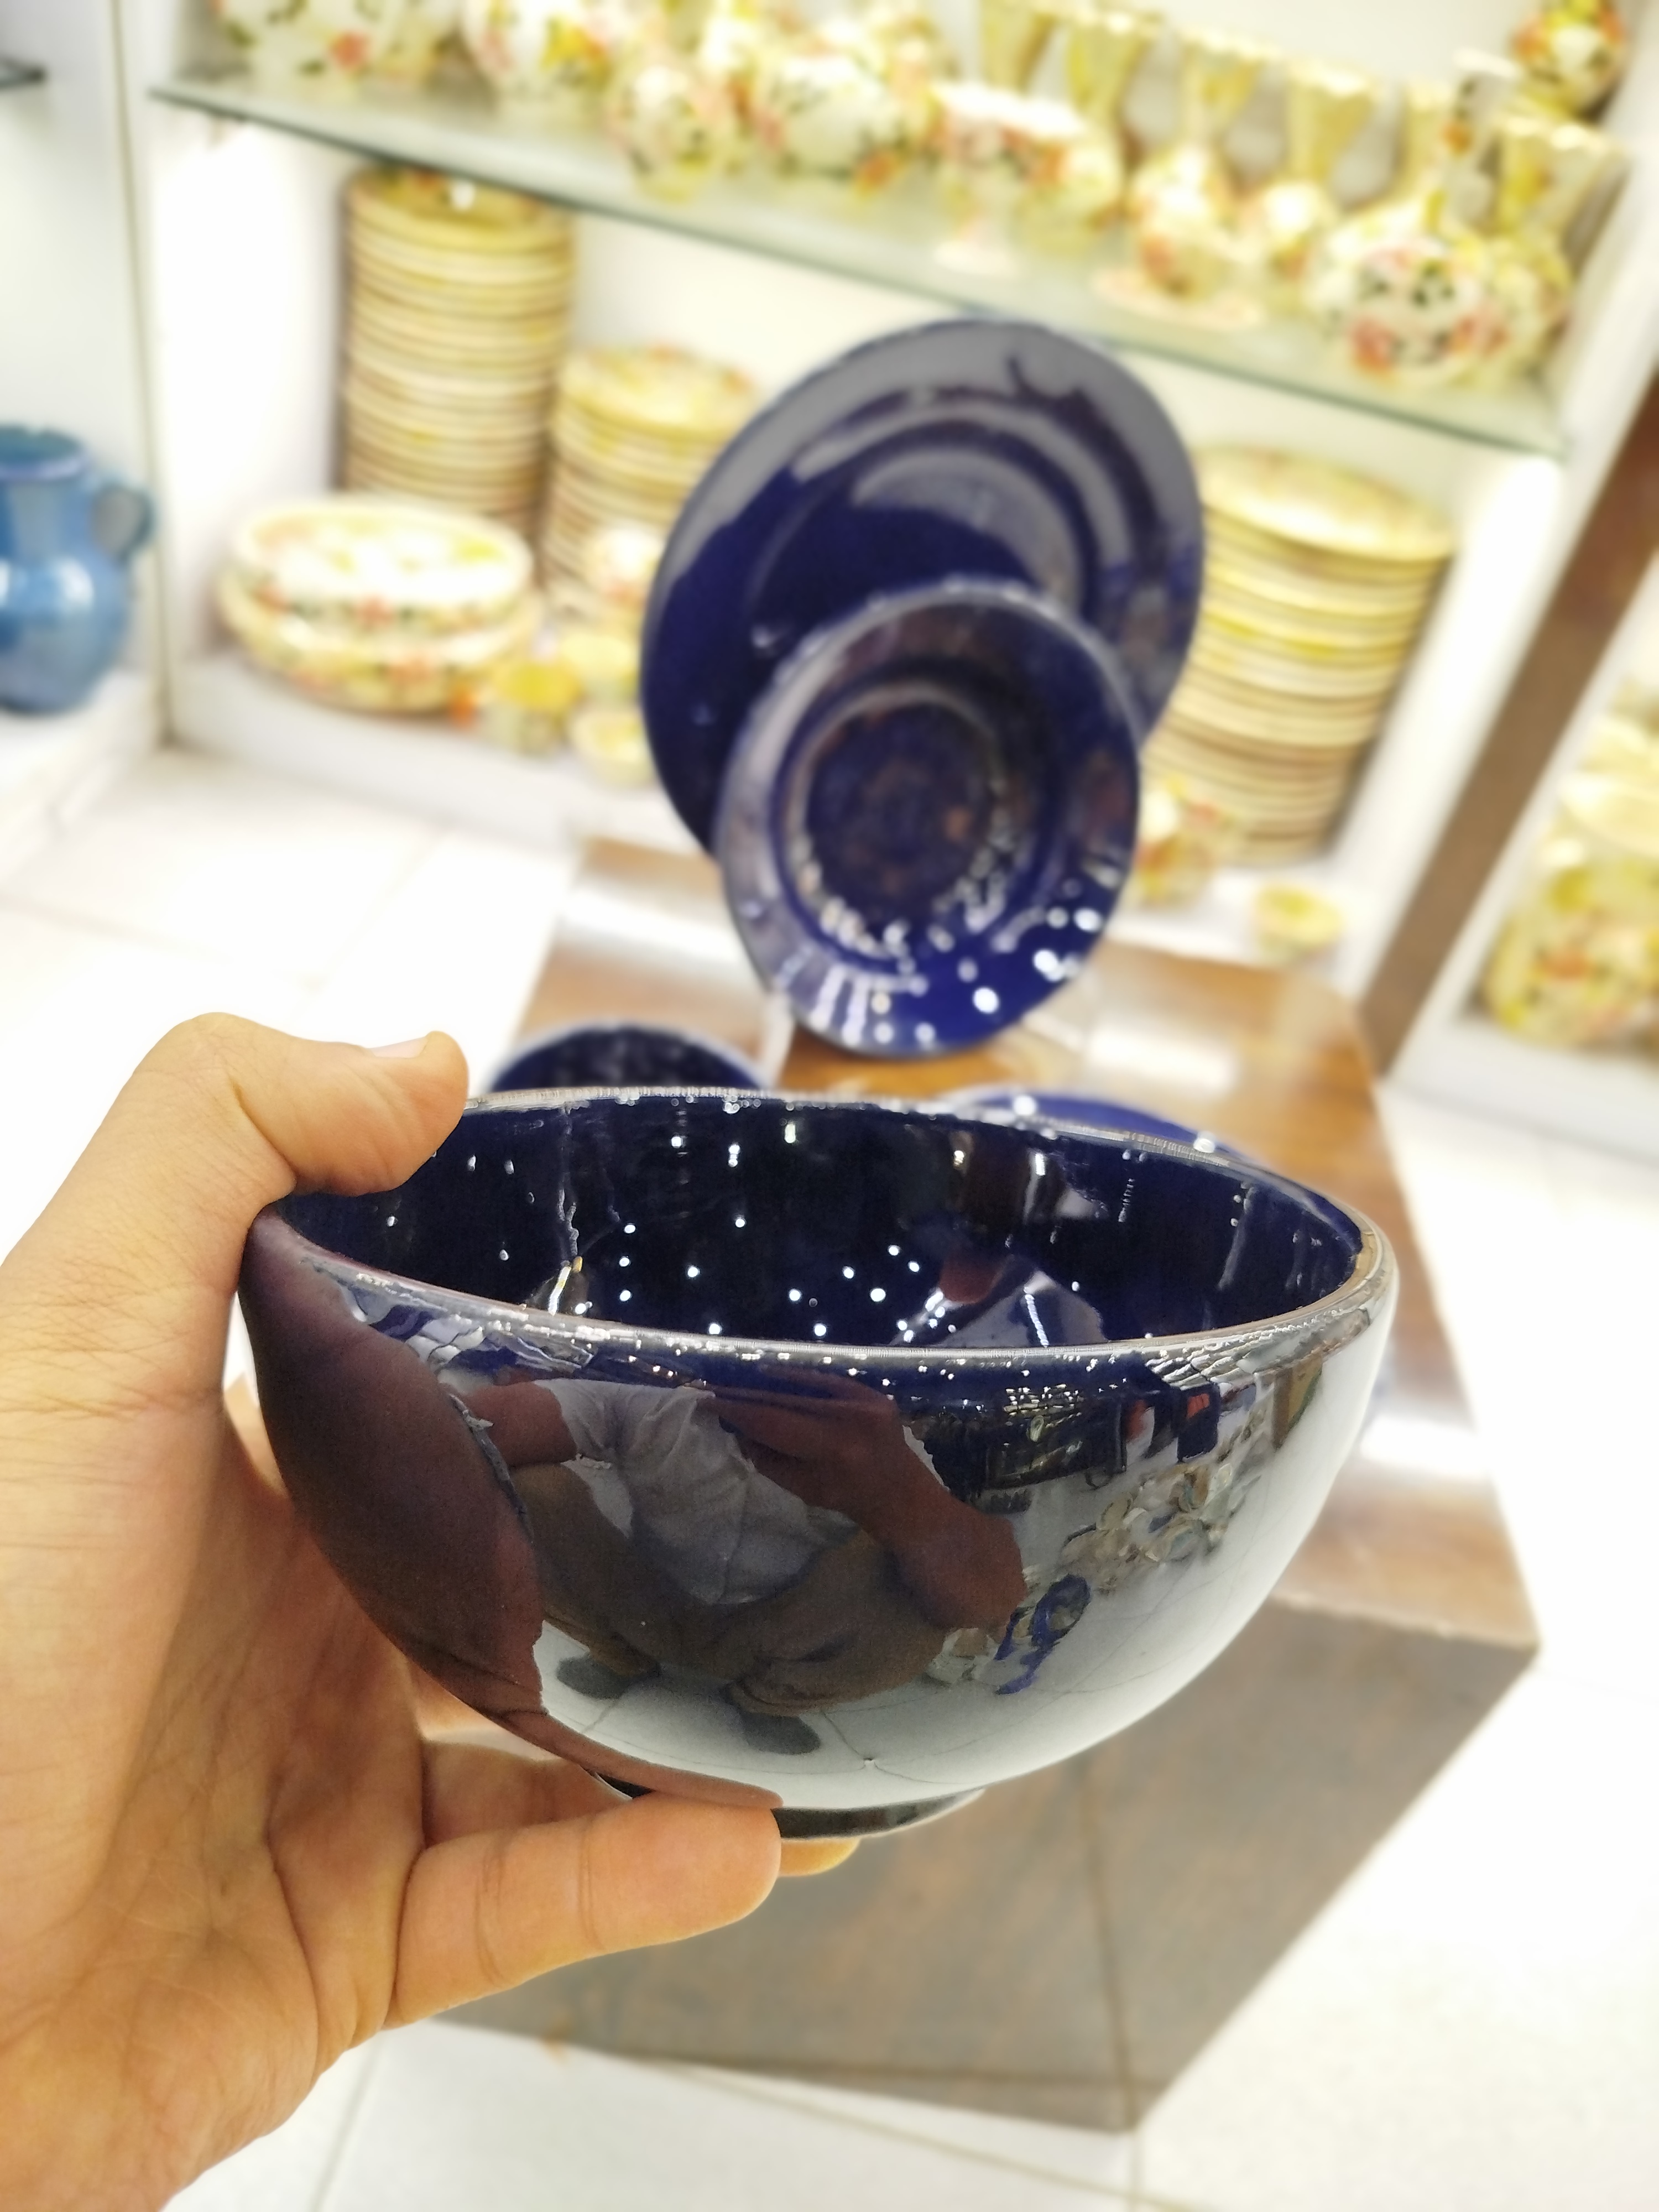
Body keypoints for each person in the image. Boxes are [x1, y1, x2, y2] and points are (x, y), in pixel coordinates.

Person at [0, 1015, 852, 2212]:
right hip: (664, 1625)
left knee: (885, 1579)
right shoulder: (646, 1404)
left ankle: (739, 1670)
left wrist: (889, 1483)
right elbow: (507, 1427)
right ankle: (711, 1665)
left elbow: (967, 1581)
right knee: (538, 1489)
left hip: (786, 1631)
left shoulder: (864, 1442)